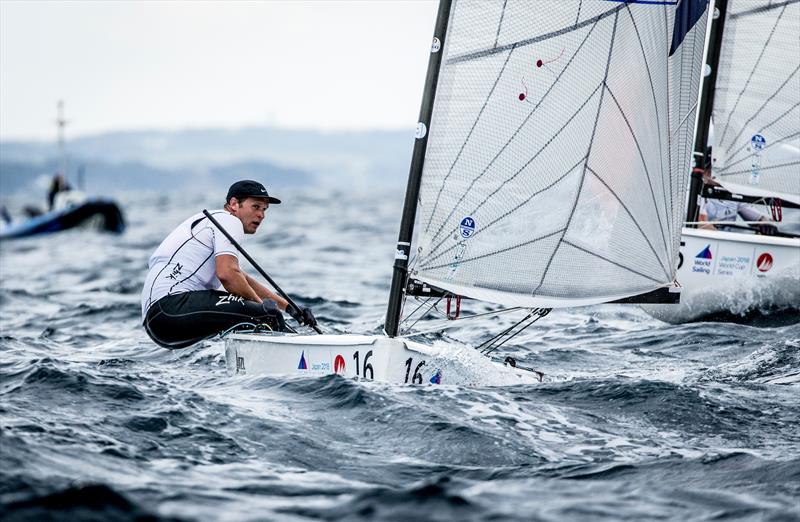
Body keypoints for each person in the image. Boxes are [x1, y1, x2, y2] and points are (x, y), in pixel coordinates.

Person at [141, 180, 317, 349]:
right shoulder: (228, 220)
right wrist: (263, 310)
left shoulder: (211, 222)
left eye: (264, 209)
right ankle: (302, 355)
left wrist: (289, 307)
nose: (261, 215)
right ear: (234, 204)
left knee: (251, 318)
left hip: (158, 322)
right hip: (172, 308)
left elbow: (240, 277)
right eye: (255, 207)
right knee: (267, 317)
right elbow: (228, 275)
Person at [697, 168, 777, 235]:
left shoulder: (733, 195)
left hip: (726, 244)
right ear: (706, 173)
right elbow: (702, 224)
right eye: (714, 170)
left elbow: (758, 218)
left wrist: (765, 223)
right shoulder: (699, 194)